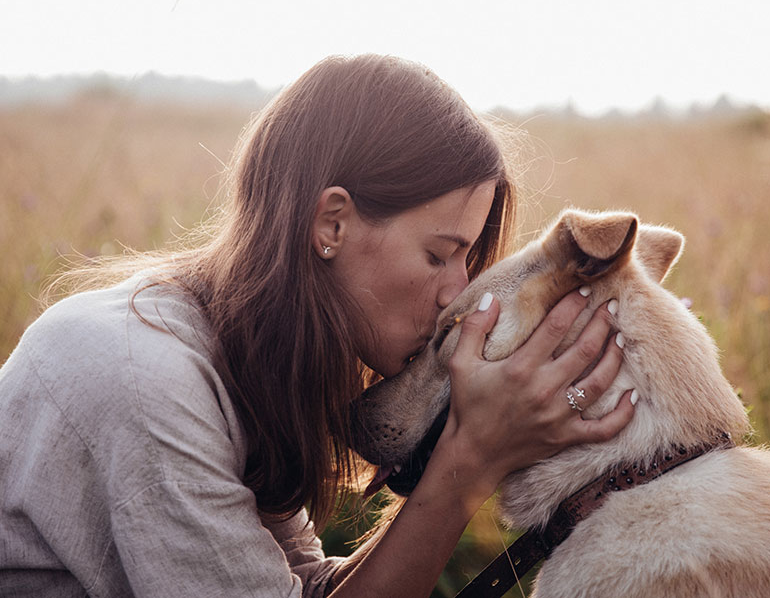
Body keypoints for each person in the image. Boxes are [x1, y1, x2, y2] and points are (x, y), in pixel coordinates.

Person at [0, 54, 636, 597]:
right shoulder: (147, 381)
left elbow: (303, 590)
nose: (457, 294)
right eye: (439, 254)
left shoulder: (240, 361)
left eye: (469, 259)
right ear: (331, 224)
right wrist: (472, 459)